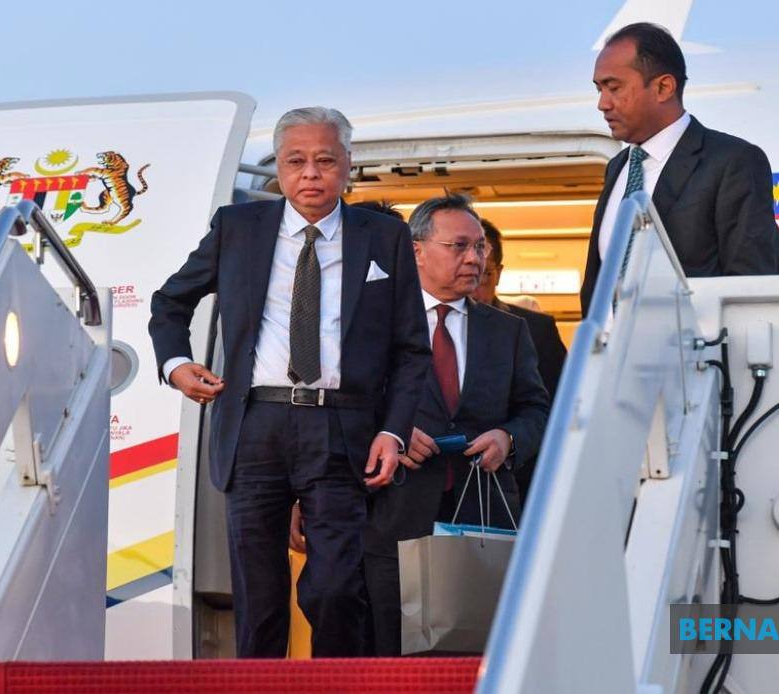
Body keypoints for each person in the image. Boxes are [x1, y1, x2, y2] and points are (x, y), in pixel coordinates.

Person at [148, 107, 431, 658]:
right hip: (254, 424)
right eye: (296, 161)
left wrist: (393, 431)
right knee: (258, 597)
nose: (311, 174)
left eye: (325, 160)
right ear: (278, 166)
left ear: (348, 164)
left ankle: (334, 686)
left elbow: (411, 349)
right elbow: (169, 303)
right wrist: (176, 364)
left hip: (342, 428)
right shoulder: (238, 228)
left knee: (335, 589)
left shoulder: (385, 236)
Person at [360, 193, 550, 656]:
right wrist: (390, 432)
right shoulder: (373, 323)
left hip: (481, 523)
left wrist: (508, 438)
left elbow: (538, 411)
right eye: (459, 246)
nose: (474, 259)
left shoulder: (508, 330)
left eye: (479, 247)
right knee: (391, 660)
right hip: (392, 518)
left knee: (475, 657)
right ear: (417, 252)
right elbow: (345, 408)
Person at [580, 22, 779, 316]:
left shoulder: (732, 162)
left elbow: (747, 291)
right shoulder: (617, 167)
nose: (602, 104)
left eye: (614, 88)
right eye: (599, 89)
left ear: (664, 87)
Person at [473, 219, 566, 501]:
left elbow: (557, 410)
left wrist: (511, 440)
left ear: (499, 273)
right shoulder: (419, 325)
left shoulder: (536, 330)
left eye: (484, 274)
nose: (473, 286)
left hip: (518, 483)